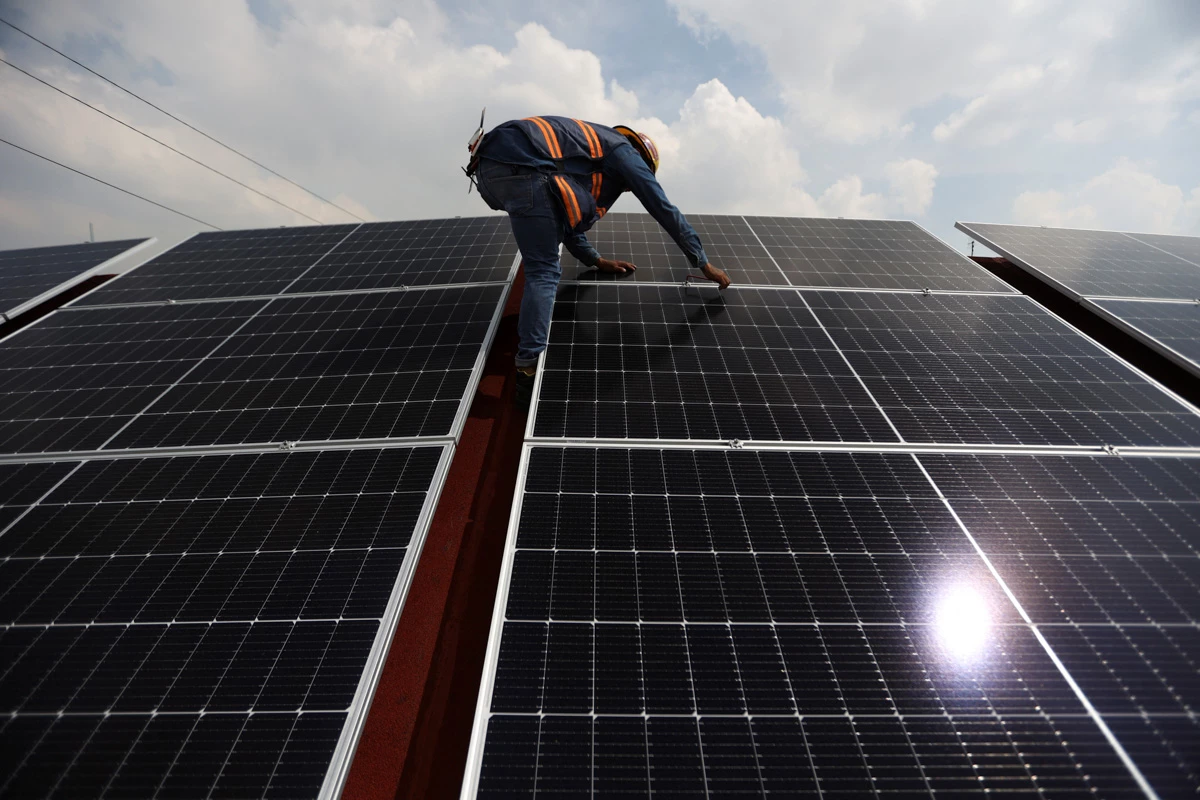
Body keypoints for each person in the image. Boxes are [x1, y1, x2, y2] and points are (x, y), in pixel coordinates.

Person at [468, 115, 732, 408]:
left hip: (490, 171)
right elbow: (662, 207)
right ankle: (527, 368)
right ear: (642, 160)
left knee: (542, 254)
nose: (628, 188)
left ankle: (527, 354)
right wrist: (702, 262)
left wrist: (595, 259)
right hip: (523, 169)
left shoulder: (583, 155)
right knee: (543, 271)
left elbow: (564, 220)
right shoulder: (624, 152)